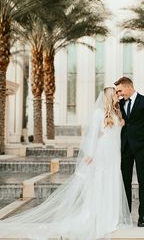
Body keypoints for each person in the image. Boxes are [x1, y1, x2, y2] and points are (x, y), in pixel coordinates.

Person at [0, 87, 132, 240]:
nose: (118, 95)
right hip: (102, 152)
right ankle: (98, 217)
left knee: (111, 182)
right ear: (109, 96)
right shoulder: (98, 114)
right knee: (100, 183)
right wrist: (90, 154)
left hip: (114, 153)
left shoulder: (117, 112)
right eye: (116, 93)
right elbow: (93, 135)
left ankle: (111, 217)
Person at [114, 77, 144, 227]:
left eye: (120, 90)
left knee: (142, 181)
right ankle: (126, 215)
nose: (118, 94)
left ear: (128, 87)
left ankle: (142, 215)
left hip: (141, 148)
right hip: (125, 148)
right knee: (125, 182)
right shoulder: (120, 103)